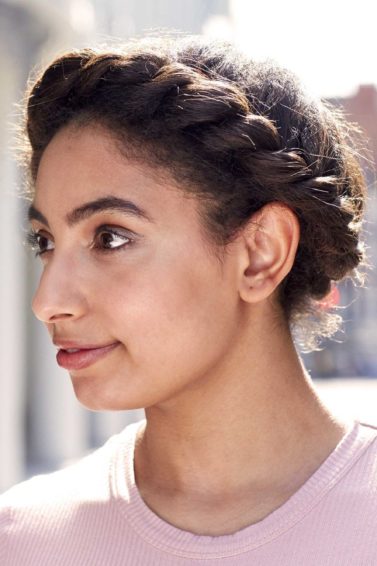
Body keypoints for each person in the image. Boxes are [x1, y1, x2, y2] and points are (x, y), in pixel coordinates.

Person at [1, 35, 376, 565]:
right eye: (44, 242)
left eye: (110, 237)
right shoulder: (24, 538)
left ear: (260, 253)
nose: (47, 301)